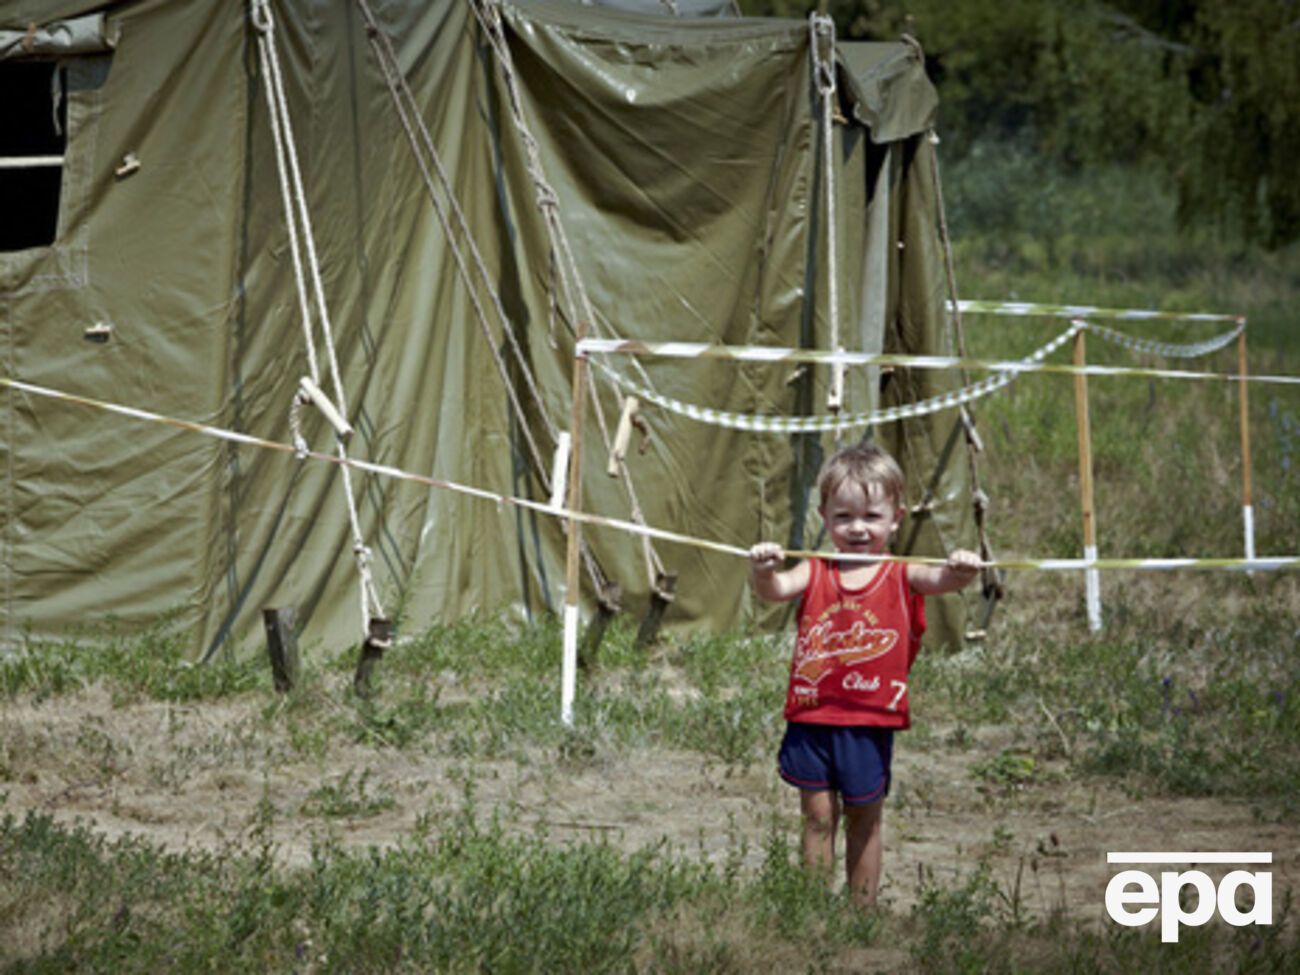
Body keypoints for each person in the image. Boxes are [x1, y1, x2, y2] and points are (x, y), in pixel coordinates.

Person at [750, 443, 981, 907]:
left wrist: (963, 568)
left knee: (864, 819)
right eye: (844, 517)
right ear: (824, 517)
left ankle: (862, 915)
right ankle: (811, 909)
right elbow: (775, 590)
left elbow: (944, 580)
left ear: (896, 518)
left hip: (869, 721)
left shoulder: (902, 573)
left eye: (871, 516)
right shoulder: (814, 569)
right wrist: (762, 570)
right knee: (817, 818)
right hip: (813, 717)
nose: (858, 528)